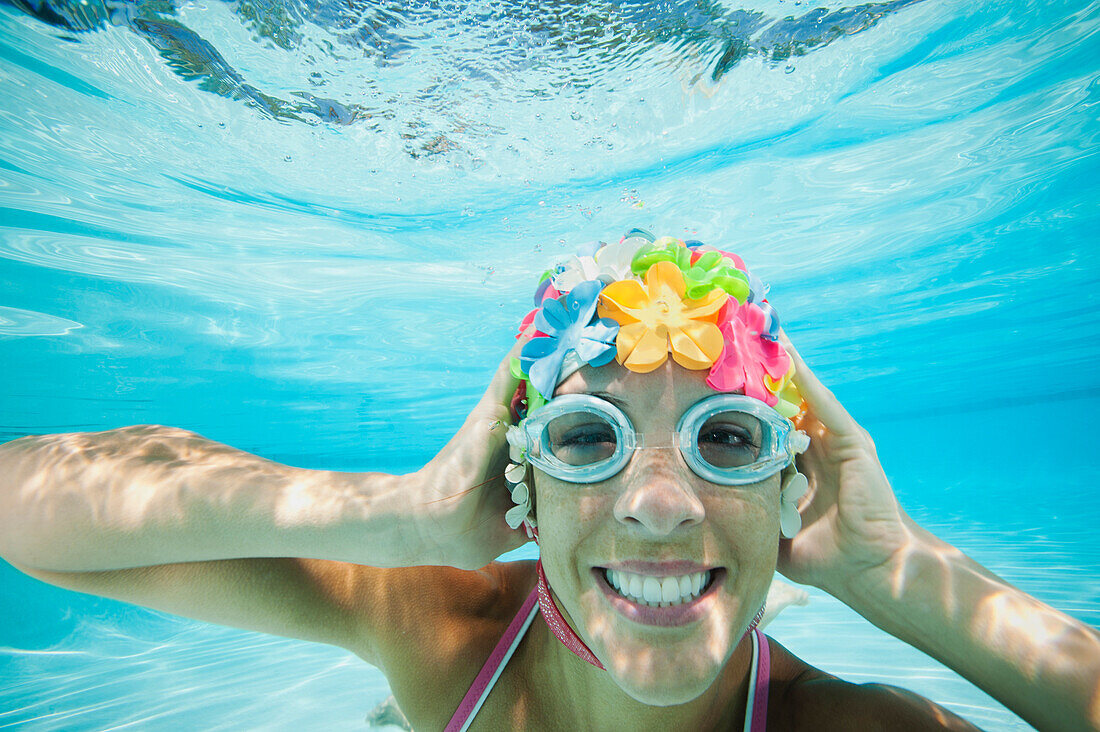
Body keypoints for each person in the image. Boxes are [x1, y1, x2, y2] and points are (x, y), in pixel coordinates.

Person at [0, 231, 1096, 731]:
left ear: (788, 487)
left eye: (725, 441)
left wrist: (893, 572)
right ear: (517, 488)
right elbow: (26, 507)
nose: (658, 504)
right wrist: (403, 519)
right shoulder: (450, 635)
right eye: (584, 439)